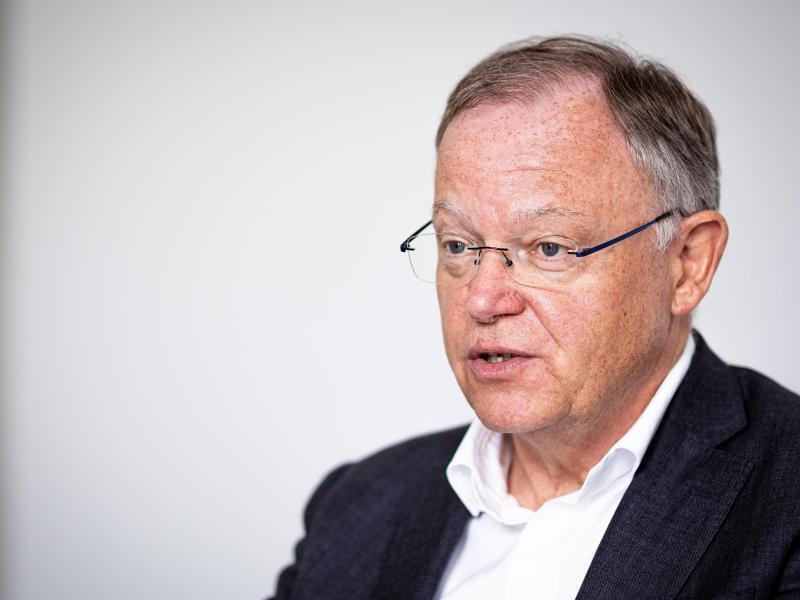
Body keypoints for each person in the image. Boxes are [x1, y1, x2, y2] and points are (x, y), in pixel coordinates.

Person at [270, 36, 800, 600]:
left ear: (687, 262)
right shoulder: (359, 503)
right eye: (457, 246)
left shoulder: (784, 498)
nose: (482, 299)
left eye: (548, 248)